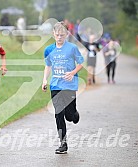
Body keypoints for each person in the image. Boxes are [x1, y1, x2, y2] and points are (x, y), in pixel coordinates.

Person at [42, 21, 84, 154]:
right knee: (58, 113)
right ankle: (63, 143)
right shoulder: (48, 50)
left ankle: (74, 114)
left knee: (69, 116)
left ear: (66, 34)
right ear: (53, 34)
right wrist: (44, 80)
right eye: (57, 35)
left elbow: (81, 63)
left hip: (70, 85)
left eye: (62, 35)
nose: (59, 37)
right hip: (55, 85)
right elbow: (48, 66)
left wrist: (72, 73)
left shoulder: (72, 48)